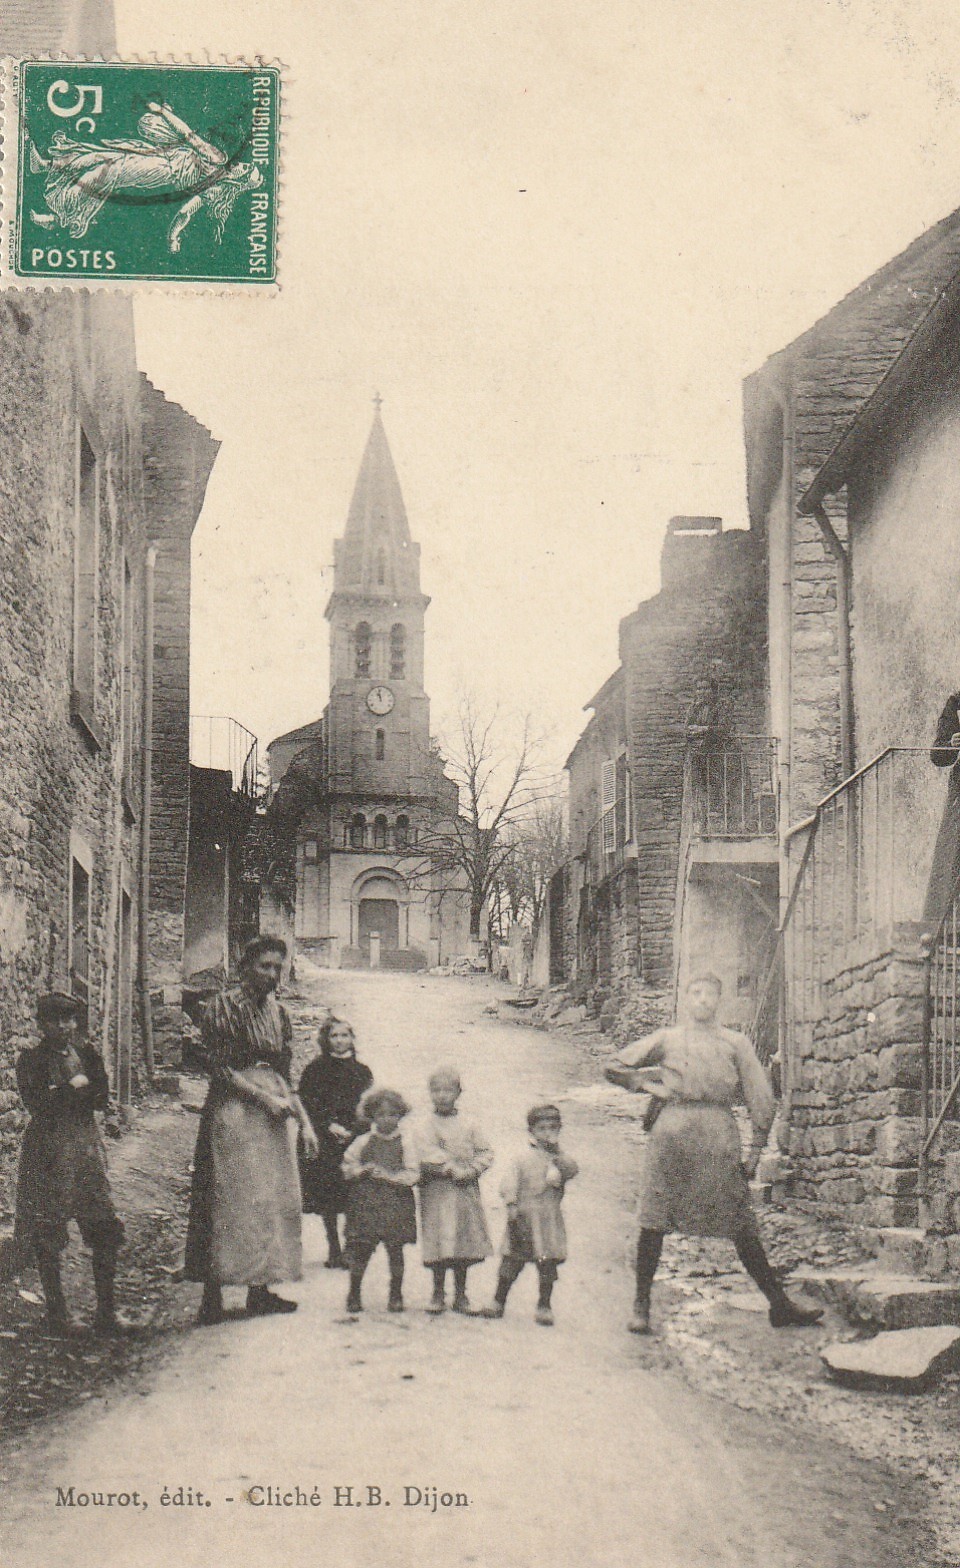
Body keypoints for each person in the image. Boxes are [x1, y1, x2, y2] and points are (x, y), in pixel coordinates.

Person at [608, 972, 822, 1335]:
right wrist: (649, 1084)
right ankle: (641, 1304)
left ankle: (780, 1305)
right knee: (654, 1218)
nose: (703, 1000)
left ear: (718, 1001)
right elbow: (615, 1066)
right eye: (696, 992)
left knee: (740, 1221)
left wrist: (755, 1151)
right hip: (671, 1136)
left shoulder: (735, 1042)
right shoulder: (668, 1038)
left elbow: (761, 1097)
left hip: (718, 1137)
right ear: (686, 997)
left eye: (710, 994)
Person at [184, 935, 319, 1326]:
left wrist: (304, 1122)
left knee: (270, 1199)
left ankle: (260, 1288)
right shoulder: (223, 1007)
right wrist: (263, 1100)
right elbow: (221, 1070)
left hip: (273, 1117)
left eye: (278, 967)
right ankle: (213, 1295)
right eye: (265, 966)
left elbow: (286, 1074)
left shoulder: (279, 1014)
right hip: (234, 1111)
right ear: (246, 967)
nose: (273, 974)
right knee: (227, 1199)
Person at [13, 991, 129, 1336]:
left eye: (70, 1019)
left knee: (103, 1226)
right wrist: (72, 1089)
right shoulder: (31, 1060)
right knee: (49, 1230)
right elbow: (38, 1103)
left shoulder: (88, 1055)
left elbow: (101, 1094)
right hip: (48, 1151)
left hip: (85, 1149)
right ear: (42, 1024)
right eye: (55, 1020)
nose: (64, 1026)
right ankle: (58, 1314)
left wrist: (70, 1090)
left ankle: (106, 1313)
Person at [482, 1103, 578, 1327]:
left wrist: (558, 1154)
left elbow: (572, 1170)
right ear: (532, 1131)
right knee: (511, 1262)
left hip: (548, 1220)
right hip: (524, 1218)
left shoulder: (560, 1160)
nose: (547, 1133)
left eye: (553, 1128)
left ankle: (544, 1305)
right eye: (542, 1128)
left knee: (547, 1264)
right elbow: (509, 1183)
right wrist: (512, 1205)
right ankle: (498, 1301)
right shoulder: (523, 1159)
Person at [414, 1067, 493, 1315]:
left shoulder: (470, 1124)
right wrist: (448, 1168)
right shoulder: (424, 1125)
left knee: (462, 1241)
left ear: (458, 1092)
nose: (442, 1095)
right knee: (439, 1241)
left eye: (448, 1090)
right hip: (436, 1191)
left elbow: (486, 1152)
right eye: (436, 1090)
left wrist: (471, 1170)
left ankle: (461, 1294)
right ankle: (438, 1293)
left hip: (463, 1192)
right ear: (429, 1093)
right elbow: (424, 1153)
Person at [296, 1016, 373, 1268]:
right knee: (328, 1194)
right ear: (326, 1040)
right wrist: (328, 1125)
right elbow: (308, 1103)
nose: (340, 1041)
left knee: (354, 1193)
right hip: (326, 1139)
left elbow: (367, 1106)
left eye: (345, 1035)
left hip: (354, 1139)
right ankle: (333, 1248)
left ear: (352, 1039)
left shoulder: (362, 1071)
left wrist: (356, 1130)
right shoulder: (315, 1070)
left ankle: (351, 1247)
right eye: (334, 1036)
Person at [341, 1088, 419, 1314]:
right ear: (372, 1117)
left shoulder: (406, 1143)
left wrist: (391, 1177)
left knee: (395, 1250)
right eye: (381, 1114)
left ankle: (396, 1295)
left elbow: (414, 1173)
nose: (387, 1119)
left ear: (400, 1115)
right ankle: (354, 1293)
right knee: (362, 1250)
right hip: (367, 1205)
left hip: (396, 1204)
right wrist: (361, 1171)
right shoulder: (363, 1141)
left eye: (393, 1114)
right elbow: (347, 1166)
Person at [923, 691, 960, 924]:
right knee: (952, 860)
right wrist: (951, 744)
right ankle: (943, 927)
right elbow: (937, 755)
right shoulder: (957, 701)